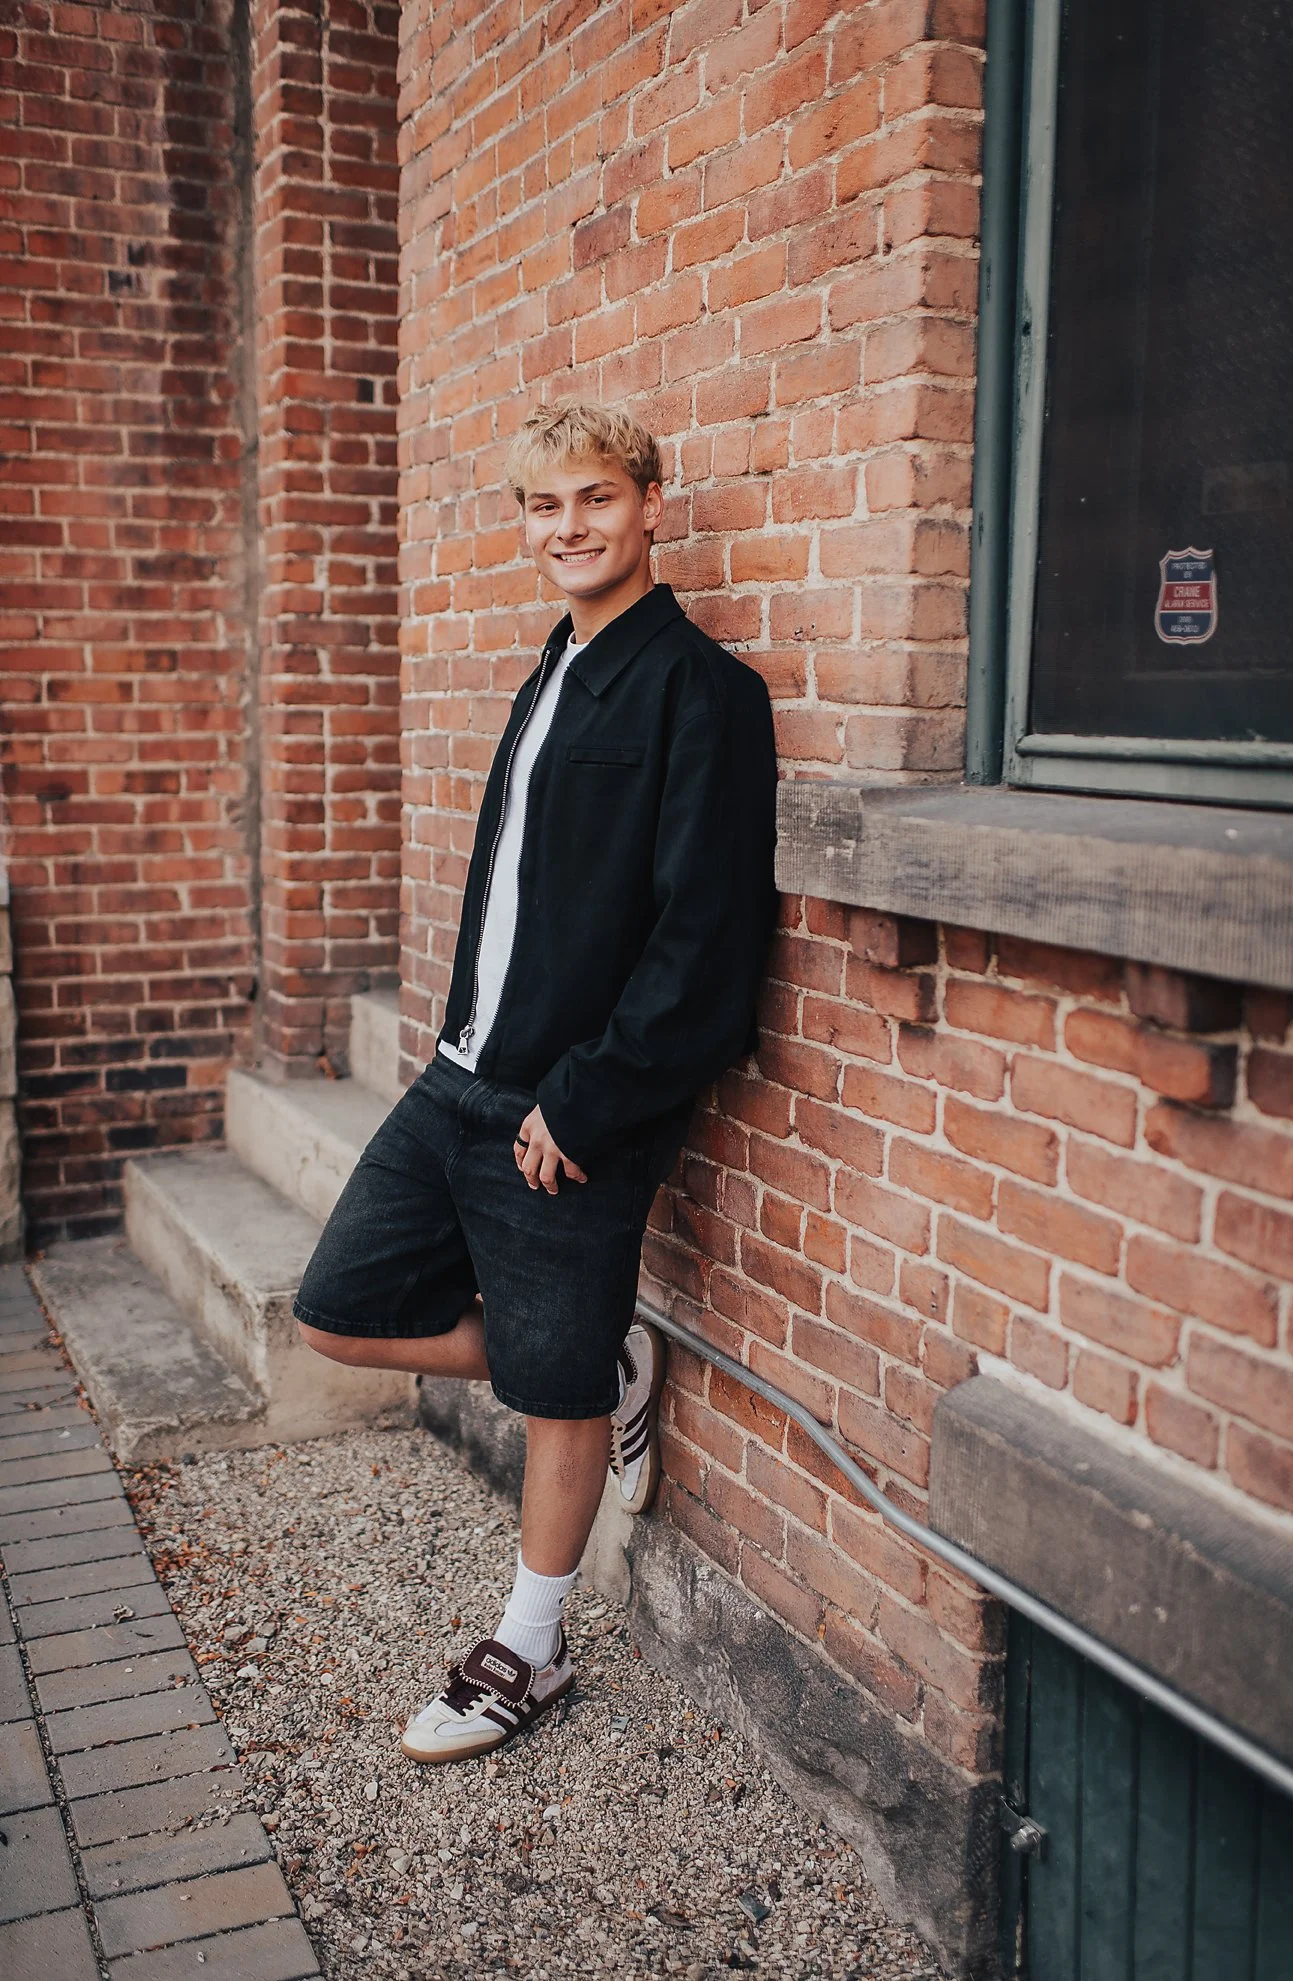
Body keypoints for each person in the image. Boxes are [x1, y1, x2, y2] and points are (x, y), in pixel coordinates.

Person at [293, 399, 778, 1763]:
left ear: (648, 505)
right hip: (462, 1076)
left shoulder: (702, 691)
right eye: (544, 506)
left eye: (595, 498)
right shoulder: (557, 664)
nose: (570, 527)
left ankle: (531, 1647)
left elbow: (706, 940)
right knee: (337, 1310)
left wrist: (592, 1099)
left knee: (552, 1397)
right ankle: (600, 1358)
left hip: (571, 1109)